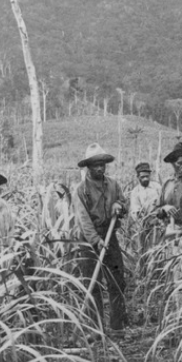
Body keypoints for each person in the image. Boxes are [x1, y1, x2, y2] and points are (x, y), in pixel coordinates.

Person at [74, 143, 129, 333]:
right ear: (88, 167)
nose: (99, 168)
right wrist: (96, 241)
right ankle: (96, 329)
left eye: (102, 164)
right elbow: (83, 220)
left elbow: (124, 202)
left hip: (110, 235)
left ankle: (117, 326)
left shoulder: (113, 184)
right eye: (95, 165)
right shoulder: (81, 190)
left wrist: (119, 206)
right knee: (92, 284)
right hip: (89, 241)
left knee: (117, 281)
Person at [129, 162, 163, 255]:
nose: (145, 179)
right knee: (145, 250)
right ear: (138, 177)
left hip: (158, 224)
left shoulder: (157, 187)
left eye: (147, 176)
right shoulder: (135, 192)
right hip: (144, 226)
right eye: (142, 177)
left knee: (158, 249)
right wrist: (145, 219)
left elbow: (163, 202)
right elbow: (136, 211)